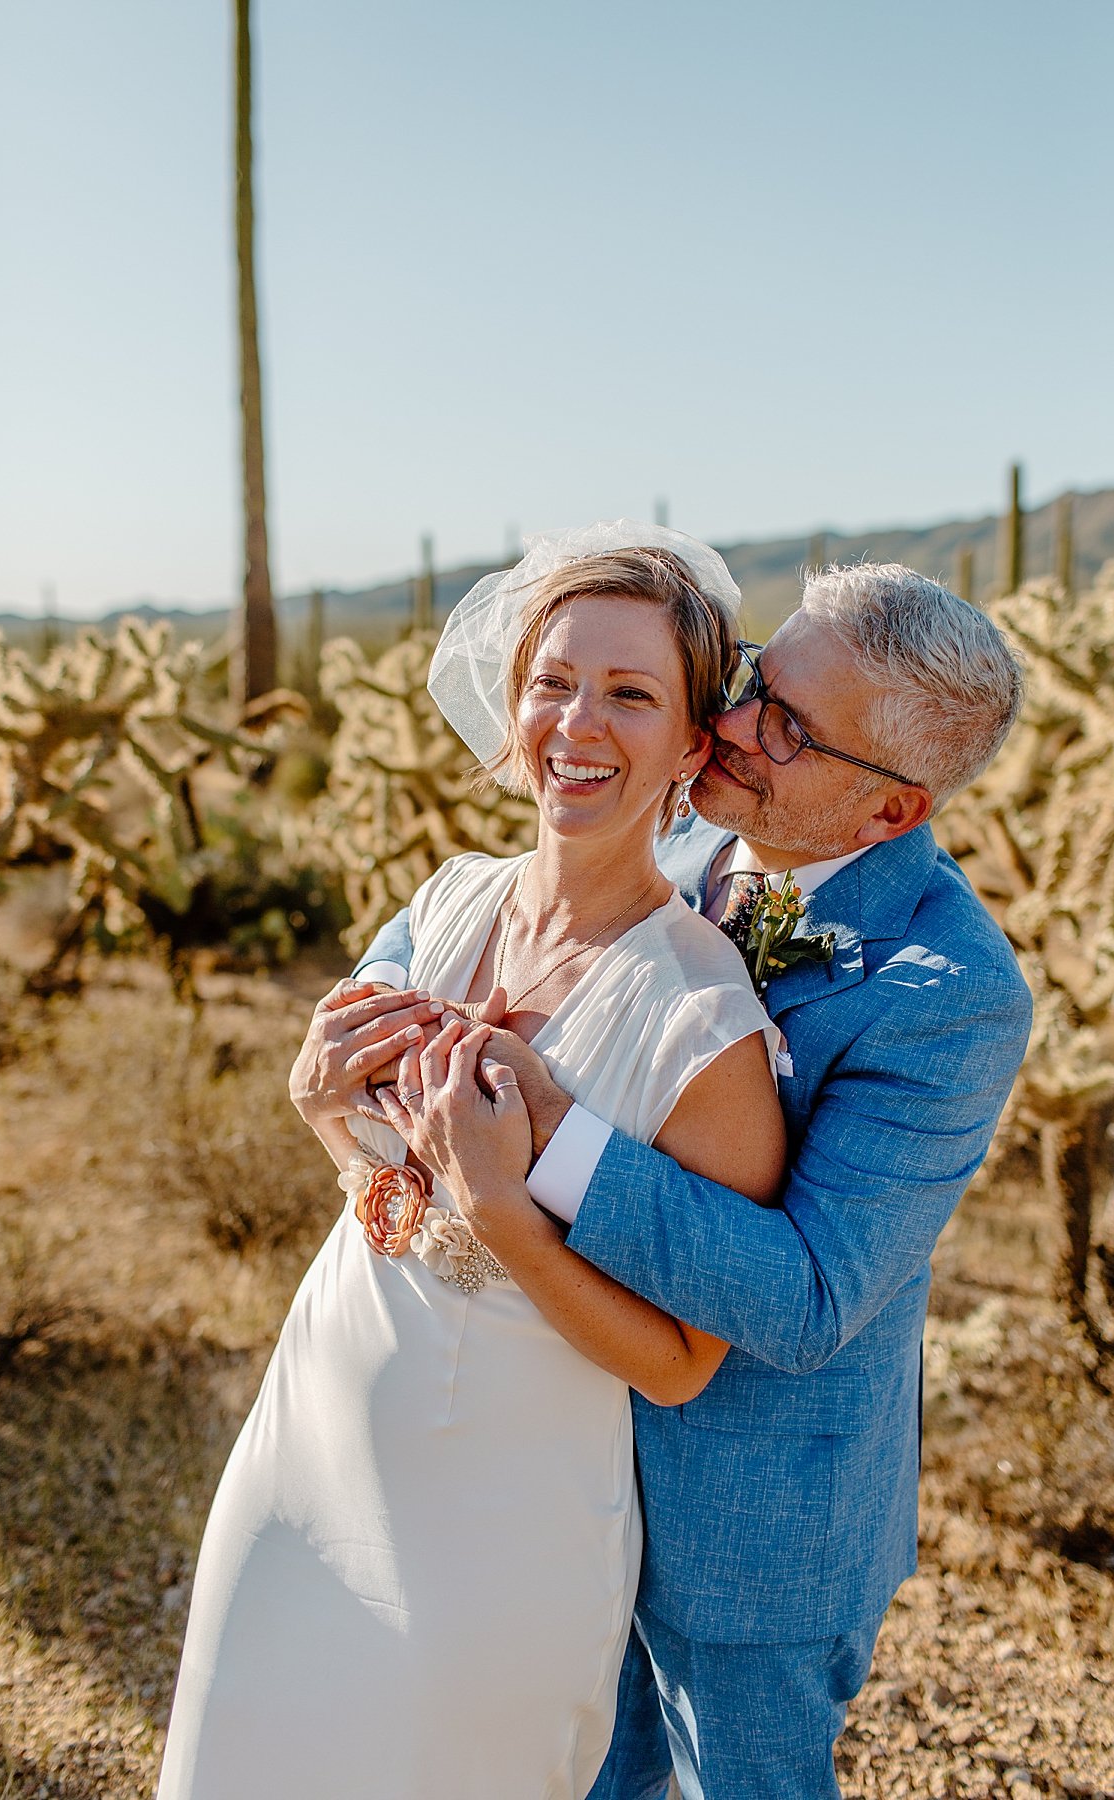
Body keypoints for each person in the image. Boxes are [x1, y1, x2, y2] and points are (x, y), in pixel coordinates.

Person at [354, 561, 1034, 1799]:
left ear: (892, 813)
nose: (730, 725)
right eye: (757, 681)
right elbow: (492, 922)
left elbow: (812, 1298)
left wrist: (554, 1135)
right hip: (555, 1454)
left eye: (787, 726)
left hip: (750, 1524)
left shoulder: (952, 996)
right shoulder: (689, 806)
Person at [155, 523, 788, 1800]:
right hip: (310, 1440)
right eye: (554, 680)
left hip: (504, 1516)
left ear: (688, 741)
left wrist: (505, 1211)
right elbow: (384, 1185)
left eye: (631, 693)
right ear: (513, 702)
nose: (580, 723)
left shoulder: (705, 1026)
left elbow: (679, 1365)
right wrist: (324, 1112)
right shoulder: (448, 900)